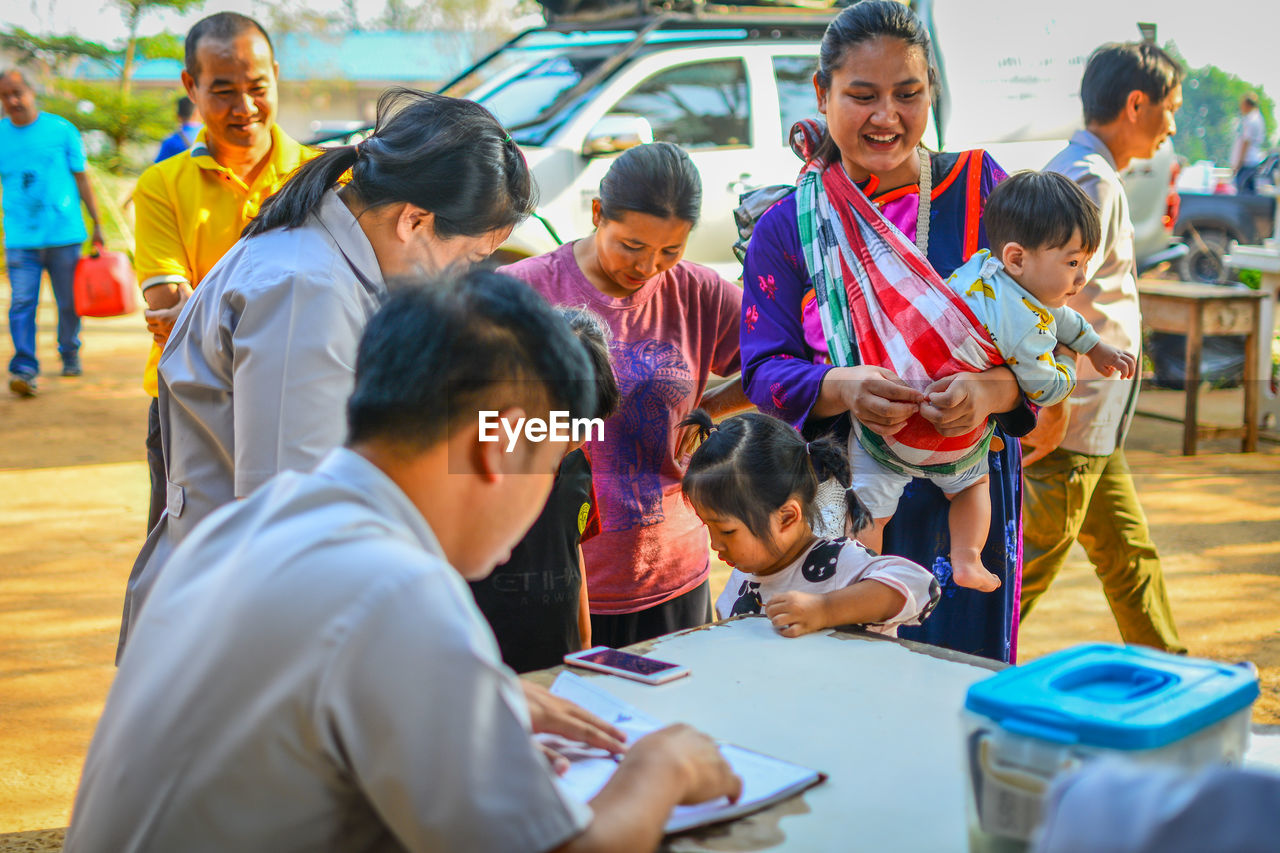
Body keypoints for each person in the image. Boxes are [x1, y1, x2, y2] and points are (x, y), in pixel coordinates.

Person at [66, 273, 742, 853]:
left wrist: (479, 706)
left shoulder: (253, 519)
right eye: (550, 459)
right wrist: (664, 765)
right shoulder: (398, 590)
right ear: (501, 443)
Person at [118, 88, 534, 656]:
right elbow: (296, 518)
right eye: (466, 259)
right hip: (250, 630)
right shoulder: (305, 292)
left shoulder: (321, 259)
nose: (459, 279)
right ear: (414, 220)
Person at [739, 0, 1031, 662]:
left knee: (958, 670)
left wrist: (992, 390)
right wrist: (841, 385)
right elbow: (763, 368)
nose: (887, 117)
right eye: (862, 95)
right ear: (822, 92)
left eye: (909, 94)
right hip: (844, 492)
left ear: (932, 92)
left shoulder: (984, 190)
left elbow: (1045, 332)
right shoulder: (789, 227)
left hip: (968, 485)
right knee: (845, 673)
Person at [502, 141, 750, 648]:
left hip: (673, 573)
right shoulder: (523, 291)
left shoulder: (698, 293)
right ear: (598, 213)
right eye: (632, 246)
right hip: (556, 576)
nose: (648, 267)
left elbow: (787, 359)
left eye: (670, 251)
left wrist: (711, 409)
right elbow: (471, 422)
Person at [851, 170, 1137, 594]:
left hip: (888, 423)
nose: (1081, 279)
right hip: (945, 435)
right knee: (973, 486)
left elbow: (1057, 313)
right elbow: (1044, 387)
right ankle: (966, 559)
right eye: (1074, 263)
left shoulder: (983, 271)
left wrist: (1094, 344)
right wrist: (1069, 362)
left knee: (872, 511)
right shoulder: (1025, 329)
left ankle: (862, 572)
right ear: (1018, 258)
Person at [1021, 41, 1187, 654]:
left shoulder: (1082, 172)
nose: (1171, 124)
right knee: (1025, 570)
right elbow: (1045, 300)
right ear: (1135, 104)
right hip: (1070, 420)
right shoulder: (1091, 182)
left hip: (1092, 421)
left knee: (1127, 556)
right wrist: (1053, 398)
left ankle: (1173, 673)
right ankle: (947, 663)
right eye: (1169, 108)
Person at [134, 12, 315, 534]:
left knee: (288, 552)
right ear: (190, 85)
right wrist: (288, 318)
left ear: (276, 75)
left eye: (258, 87)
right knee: (184, 556)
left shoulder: (325, 177)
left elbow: (187, 317)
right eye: (223, 91)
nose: (245, 108)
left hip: (296, 403)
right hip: (191, 403)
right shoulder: (161, 186)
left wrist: (201, 309)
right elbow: (169, 309)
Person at [679, 409, 938, 638]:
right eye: (708, 527)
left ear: (787, 516)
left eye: (726, 530)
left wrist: (824, 609)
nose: (715, 545)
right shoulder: (743, 576)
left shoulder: (837, 563)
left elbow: (921, 585)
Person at [469, 306, 621, 672]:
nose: (573, 441)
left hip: (560, 655)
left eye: (586, 428)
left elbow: (573, 547)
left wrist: (584, 641)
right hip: (489, 665)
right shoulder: (476, 469)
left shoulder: (577, 464)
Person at [0, 68, 104, 396]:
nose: (12, 100)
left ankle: (69, 351)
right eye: (5, 96)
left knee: (69, 302)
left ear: (32, 93)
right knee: (22, 301)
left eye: (18, 92)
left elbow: (82, 178)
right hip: (21, 238)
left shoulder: (62, 130)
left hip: (64, 235)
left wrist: (97, 223)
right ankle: (25, 368)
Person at [1232, 93, 1267, 195]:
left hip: (1247, 162)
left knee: (1243, 193)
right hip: (1253, 162)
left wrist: (1238, 163)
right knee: (1250, 192)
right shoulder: (1258, 118)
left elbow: (1246, 142)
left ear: (1247, 105)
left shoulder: (1250, 120)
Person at [153, 95, 201, 162]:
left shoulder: (171, 141)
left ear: (178, 116)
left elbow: (158, 167)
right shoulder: (210, 136)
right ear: (198, 113)